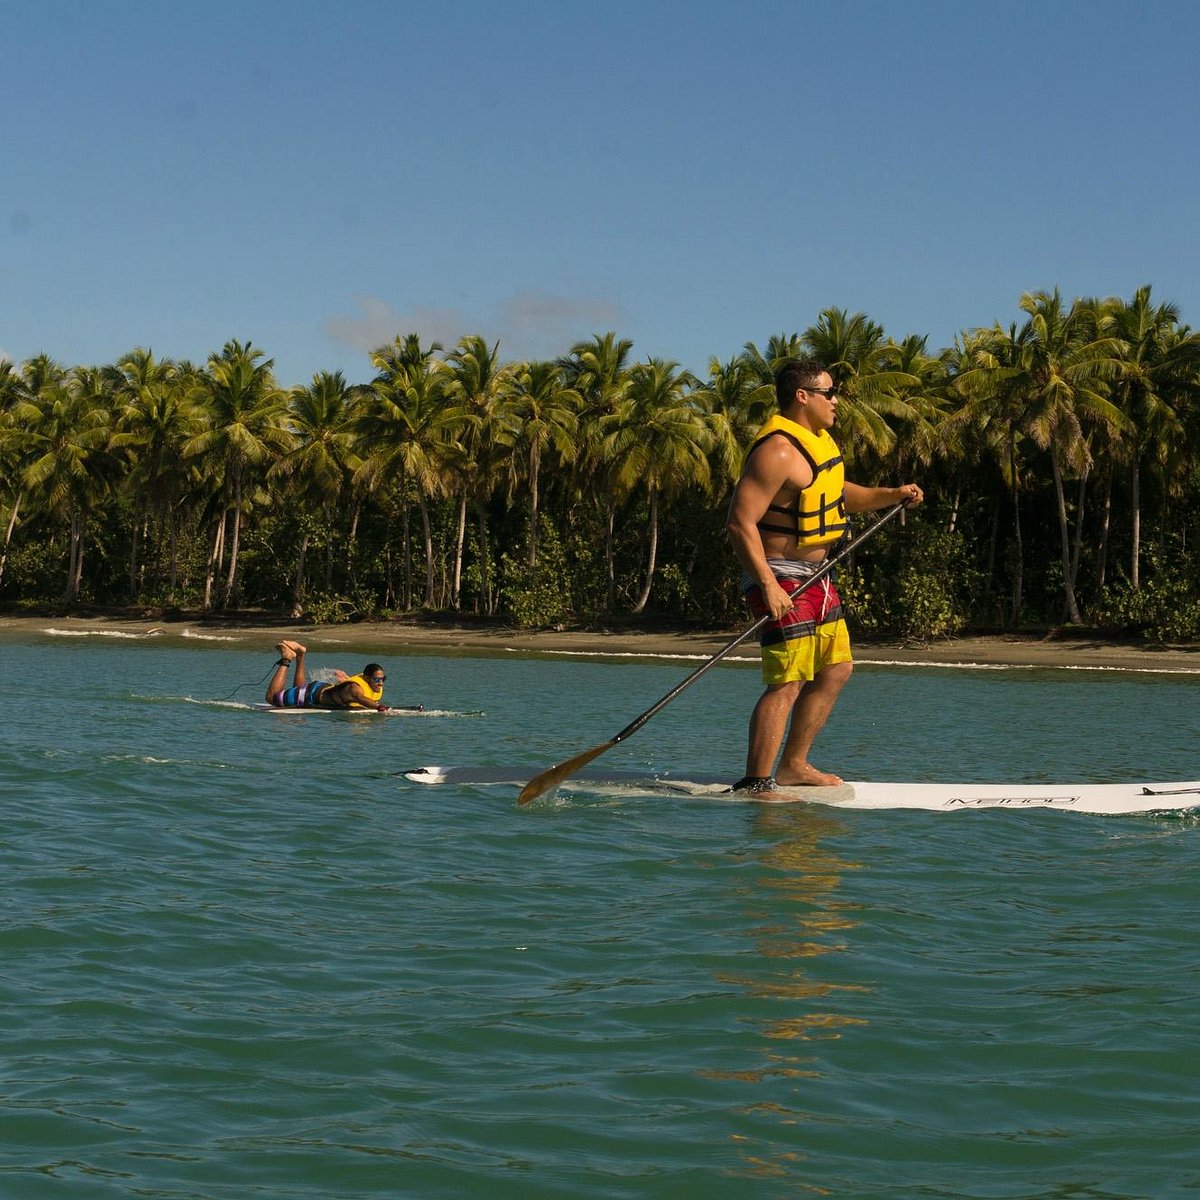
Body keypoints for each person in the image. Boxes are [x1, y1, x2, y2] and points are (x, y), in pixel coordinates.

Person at [725, 357, 923, 795]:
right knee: (788, 679)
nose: (837, 401)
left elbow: (836, 495)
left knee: (835, 669)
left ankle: (794, 765)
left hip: (819, 575)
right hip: (780, 576)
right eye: (829, 393)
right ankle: (756, 782)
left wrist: (891, 495)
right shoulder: (776, 451)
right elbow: (740, 523)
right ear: (802, 396)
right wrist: (767, 585)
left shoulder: (819, 442)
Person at [265, 641, 390, 710]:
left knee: (299, 689)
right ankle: (286, 658)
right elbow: (360, 698)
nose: (380, 682)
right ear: (367, 678)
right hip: (313, 695)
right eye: (377, 679)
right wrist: (379, 707)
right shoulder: (354, 688)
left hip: (316, 690)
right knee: (271, 698)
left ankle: (300, 654)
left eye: (382, 679)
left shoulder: (367, 684)